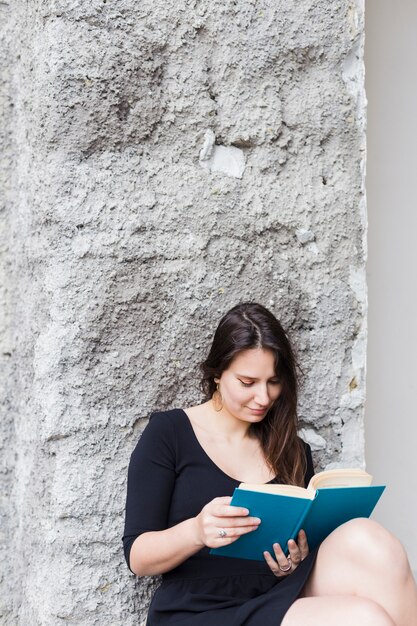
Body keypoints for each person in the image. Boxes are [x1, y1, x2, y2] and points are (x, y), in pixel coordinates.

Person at [123, 302, 417, 626]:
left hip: (278, 594)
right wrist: (196, 530)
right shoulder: (169, 433)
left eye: (273, 382)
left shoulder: (290, 448)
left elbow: (300, 547)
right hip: (199, 608)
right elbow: (138, 557)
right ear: (217, 374)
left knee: (370, 538)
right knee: (365, 618)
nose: (263, 398)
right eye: (248, 382)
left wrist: (292, 560)